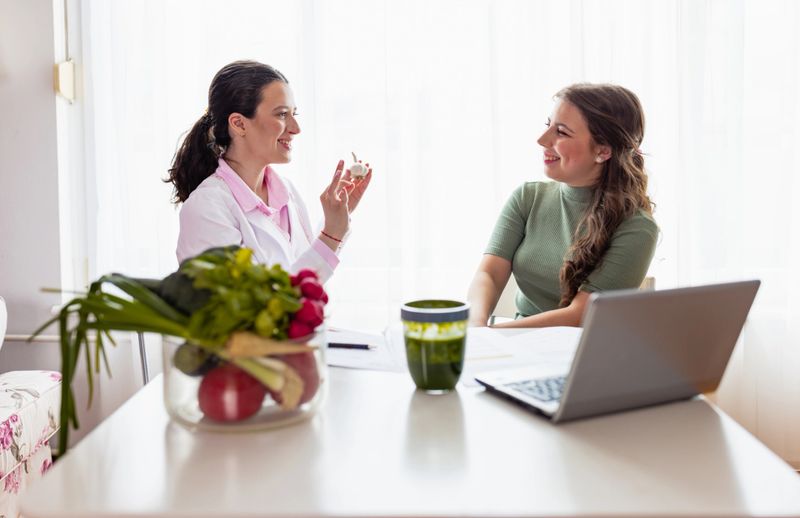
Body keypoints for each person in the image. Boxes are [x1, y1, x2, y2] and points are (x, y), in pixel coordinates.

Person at [467, 83, 658, 328]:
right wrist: (476, 326)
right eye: (548, 125)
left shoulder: (637, 228)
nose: (542, 140)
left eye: (562, 132)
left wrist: (495, 334)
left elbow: (580, 315)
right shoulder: (527, 197)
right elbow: (489, 275)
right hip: (516, 344)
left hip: (582, 356)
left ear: (603, 150)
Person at [167, 60, 371, 283]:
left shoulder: (287, 193)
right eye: (282, 114)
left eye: (294, 114)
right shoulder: (206, 208)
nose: (296, 128)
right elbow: (256, 308)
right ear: (239, 123)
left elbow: (305, 277)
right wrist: (331, 234)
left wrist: (338, 219)